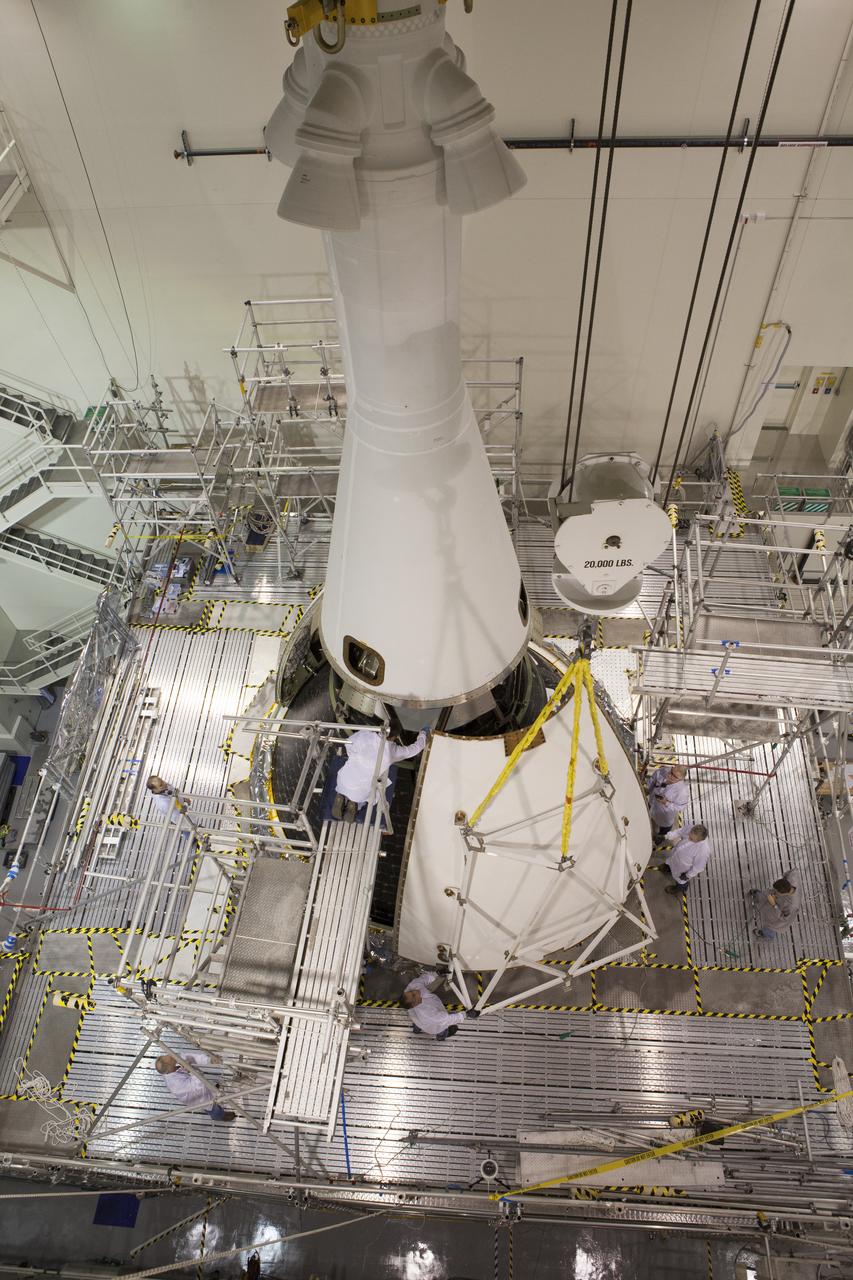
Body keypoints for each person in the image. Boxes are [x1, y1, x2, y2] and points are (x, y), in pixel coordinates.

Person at [332, 728, 427, 822]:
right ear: (394, 737)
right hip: (359, 794)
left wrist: (355, 758)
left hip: (342, 780)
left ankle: (341, 797)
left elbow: (348, 743)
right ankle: (356, 804)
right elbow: (414, 749)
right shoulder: (392, 751)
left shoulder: (365, 735)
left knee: (353, 778)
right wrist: (423, 734)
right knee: (371, 792)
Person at [154, 1051, 235, 1122]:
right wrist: (192, 1071)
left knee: (209, 1089)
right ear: (169, 1069)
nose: (174, 1056)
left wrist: (209, 1060)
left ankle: (212, 1091)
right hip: (199, 1097)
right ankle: (219, 1116)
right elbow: (197, 1088)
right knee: (213, 1108)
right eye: (172, 1059)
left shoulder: (174, 1060)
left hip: (202, 1085)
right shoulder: (175, 1084)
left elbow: (192, 1058)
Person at [400, 971, 480, 1041]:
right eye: (414, 995)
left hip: (418, 1017)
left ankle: (416, 1029)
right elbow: (447, 1019)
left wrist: (436, 974)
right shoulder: (428, 1014)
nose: (415, 990)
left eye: (411, 992)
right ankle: (442, 1036)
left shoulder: (410, 989)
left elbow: (423, 979)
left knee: (418, 1022)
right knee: (441, 1028)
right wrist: (466, 1015)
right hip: (433, 1025)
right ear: (415, 1004)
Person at [660, 823, 711, 896]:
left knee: (681, 881)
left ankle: (679, 889)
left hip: (682, 868)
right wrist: (665, 837)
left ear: (699, 840)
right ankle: (668, 867)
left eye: (691, 839)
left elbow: (698, 867)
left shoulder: (703, 851)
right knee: (670, 862)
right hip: (675, 856)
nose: (689, 837)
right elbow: (679, 832)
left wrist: (687, 875)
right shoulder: (692, 828)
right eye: (689, 835)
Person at [750, 869, 801, 940]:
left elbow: (783, 919)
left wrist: (774, 905)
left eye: (776, 891)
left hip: (778, 918)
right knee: (764, 896)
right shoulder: (792, 877)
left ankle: (767, 935)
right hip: (774, 900)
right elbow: (792, 871)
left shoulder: (792, 907)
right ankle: (758, 895)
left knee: (772, 927)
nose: (775, 891)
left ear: (783, 893)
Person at [646, 763, 689, 841]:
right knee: (648, 815)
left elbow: (681, 807)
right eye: (671, 772)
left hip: (664, 814)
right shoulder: (663, 771)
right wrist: (647, 790)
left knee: (664, 829)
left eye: (674, 777)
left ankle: (660, 839)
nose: (670, 775)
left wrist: (666, 803)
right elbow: (652, 780)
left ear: (680, 779)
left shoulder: (682, 791)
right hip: (652, 803)